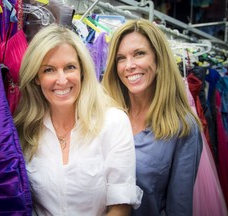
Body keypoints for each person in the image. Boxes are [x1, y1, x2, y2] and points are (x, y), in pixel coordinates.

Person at [13, 24, 142, 216]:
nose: (62, 80)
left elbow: (120, 206)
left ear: (82, 70)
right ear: (36, 77)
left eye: (70, 67)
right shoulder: (24, 129)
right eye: (49, 70)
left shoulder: (113, 122)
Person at [102, 19, 203, 216]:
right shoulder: (103, 115)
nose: (129, 65)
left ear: (158, 59)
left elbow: (179, 209)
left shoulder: (183, 128)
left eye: (139, 54)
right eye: (121, 58)